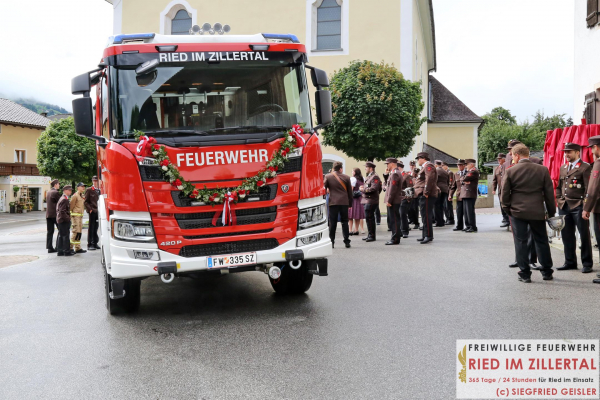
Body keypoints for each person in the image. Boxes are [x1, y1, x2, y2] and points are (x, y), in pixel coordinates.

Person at [501, 144, 556, 283]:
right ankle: (547, 271)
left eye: (512, 156)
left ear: (517, 155)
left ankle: (525, 273)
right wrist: (550, 212)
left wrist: (508, 209)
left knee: (520, 242)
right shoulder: (542, 170)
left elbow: (505, 194)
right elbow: (549, 194)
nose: (512, 158)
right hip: (537, 211)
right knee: (541, 240)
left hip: (517, 211)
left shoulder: (511, 171)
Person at [555, 143, 593, 273]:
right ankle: (570, 261)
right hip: (564, 205)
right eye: (565, 152)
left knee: (584, 235)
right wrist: (559, 199)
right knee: (566, 235)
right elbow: (559, 186)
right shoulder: (563, 167)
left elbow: (589, 188)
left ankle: (587, 263)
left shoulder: (585, 167)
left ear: (578, 152)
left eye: (569, 152)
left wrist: (586, 206)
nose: (566, 154)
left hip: (579, 205)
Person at [582, 135, 600, 283]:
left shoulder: (598, 163)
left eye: (592, 148)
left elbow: (593, 189)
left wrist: (586, 208)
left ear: (596, 147)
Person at [324, 162, 353, 248]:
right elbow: (350, 193)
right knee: (345, 222)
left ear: (333, 168)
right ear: (340, 169)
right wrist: (350, 204)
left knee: (332, 223)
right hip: (344, 202)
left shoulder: (328, 176)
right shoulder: (347, 177)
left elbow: (323, 188)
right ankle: (347, 241)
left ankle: (332, 242)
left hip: (333, 202)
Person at [414, 152, 438, 244]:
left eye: (418, 159)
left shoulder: (429, 166)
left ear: (423, 158)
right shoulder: (425, 167)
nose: (417, 161)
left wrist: (426, 192)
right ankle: (425, 235)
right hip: (423, 194)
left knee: (426, 216)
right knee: (424, 216)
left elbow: (430, 179)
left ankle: (428, 235)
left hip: (427, 195)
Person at [360, 161, 382, 242]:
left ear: (371, 168)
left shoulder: (375, 177)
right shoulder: (369, 177)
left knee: (370, 218)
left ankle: (372, 235)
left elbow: (375, 188)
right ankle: (370, 234)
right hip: (367, 199)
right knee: (368, 218)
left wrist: (364, 189)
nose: (365, 168)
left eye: (366, 167)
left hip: (371, 200)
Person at [384, 158, 403, 245]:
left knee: (394, 220)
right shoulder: (394, 173)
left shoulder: (395, 173)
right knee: (394, 219)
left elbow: (392, 189)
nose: (387, 165)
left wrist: (389, 200)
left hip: (394, 200)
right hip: (395, 200)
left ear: (392, 164)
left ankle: (395, 238)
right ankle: (395, 237)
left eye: (387, 164)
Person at [461, 159, 479, 233]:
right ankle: (468, 225)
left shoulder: (474, 171)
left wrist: (464, 180)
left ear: (471, 164)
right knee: (466, 211)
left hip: (470, 193)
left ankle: (472, 226)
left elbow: (464, 178)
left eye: (467, 164)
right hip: (466, 193)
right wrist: (464, 180)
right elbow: (462, 179)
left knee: (469, 211)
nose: (465, 166)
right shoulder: (468, 171)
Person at [492, 153, 509, 228]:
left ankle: (508, 220)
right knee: (501, 205)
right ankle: (505, 219)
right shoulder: (497, 169)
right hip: (500, 190)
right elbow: (494, 180)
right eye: (498, 159)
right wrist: (493, 189)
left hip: (506, 189)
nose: (498, 160)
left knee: (506, 205)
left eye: (500, 159)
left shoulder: (507, 167)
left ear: (504, 159)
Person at [56, 185, 74, 257]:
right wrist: (68, 219)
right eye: (69, 190)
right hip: (63, 220)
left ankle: (60, 251)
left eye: (71, 190)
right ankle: (66, 251)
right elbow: (62, 211)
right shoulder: (64, 199)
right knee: (65, 236)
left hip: (61, 220)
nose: (70, 191)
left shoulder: (62, 198)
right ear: (65, 190)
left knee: (61, 235)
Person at [70, 183, 87, 254]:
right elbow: (71, 206)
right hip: (75, 217)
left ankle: (78, 247)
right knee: (75, 232)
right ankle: (70, 247)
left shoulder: (82, 196)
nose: (83, 188)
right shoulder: (75, 196)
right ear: (78, 187)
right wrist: (71, 216)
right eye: (82, 186)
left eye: (84, 186)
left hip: (80, 216)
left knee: (79, 233)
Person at [449, 159, 466, 231]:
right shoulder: (456, 174)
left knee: (466, 212)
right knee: (459, 212)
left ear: (464, 165)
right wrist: (450, 195)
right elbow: (453, 186)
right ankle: (459, 226)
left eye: (460, 165)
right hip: (459, 196)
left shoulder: (467, 173)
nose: (458, 166)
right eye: (458, 165)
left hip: (466, 195)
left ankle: (468, 226)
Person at [348, 168, 366, 235]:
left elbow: (351, 190)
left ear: (355, 172)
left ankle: (350, 230)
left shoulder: (353, 179)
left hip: (353, 198)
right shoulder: (362, 179)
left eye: (352, 171)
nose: (352, 172)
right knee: (357, 215)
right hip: (360, 198)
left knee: (350, 216)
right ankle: (356, 230)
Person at [45, 179, 61, 253]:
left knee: (50, 231)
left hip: (48, 215)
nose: (59, 185)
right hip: (55, 214)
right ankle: (58, 246)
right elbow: (60, 202)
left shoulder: (48, 192)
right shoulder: (55, 192)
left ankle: (49, 247)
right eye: (58, 184)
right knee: (61, 230)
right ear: (55, 184)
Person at [85, 176, 100, 250]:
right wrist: (90, 209)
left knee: (96, 227)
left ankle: (95, 242)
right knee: (91, 227)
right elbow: (86, 201)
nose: (95, 182)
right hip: (93, 211)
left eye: (96, 181)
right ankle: (90, 243)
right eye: (94, 181)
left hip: (98, 211)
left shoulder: (100, 190)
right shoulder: (89, 190)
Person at [399, 161, 413, 238]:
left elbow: (410, 187)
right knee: (399, 214)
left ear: (399, 167)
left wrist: (408, 198)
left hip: (404, 198)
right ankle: (400, 230)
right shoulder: (396, 175)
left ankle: (405, 231)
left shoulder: (406, 176)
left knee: (402, 214)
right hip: (397, 198)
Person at [434, 160, 449, 227]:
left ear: (436, 165)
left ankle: (438, 222)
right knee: (441, 206)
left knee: (436, 206)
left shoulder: (436, 171)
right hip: (445, 190)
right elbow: (448, 181)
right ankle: (442, 220)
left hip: (438, 190)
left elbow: (434, 180)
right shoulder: (445, 172)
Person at [408, 160, 420, 229]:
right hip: (410, 193)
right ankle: (411, 219)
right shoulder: (408, 173)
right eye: (411, 165)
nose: (412, 167)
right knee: (409, 209)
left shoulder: (417, 171)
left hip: (415, 193)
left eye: (413, 165)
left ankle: (416, 222)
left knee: (415, 208)